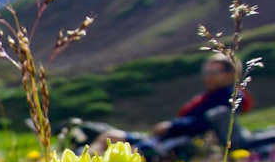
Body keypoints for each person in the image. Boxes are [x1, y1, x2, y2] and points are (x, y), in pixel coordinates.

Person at [91, 53, 252, 155]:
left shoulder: (229, 96)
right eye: (206, 73)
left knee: (119, 148)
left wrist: (171, 126)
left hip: (177, 143)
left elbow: (205, 122)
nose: (207, 77)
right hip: (166, 139)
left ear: (231, 74)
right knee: (110, 136)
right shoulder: (210, 96)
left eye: (213, 73)